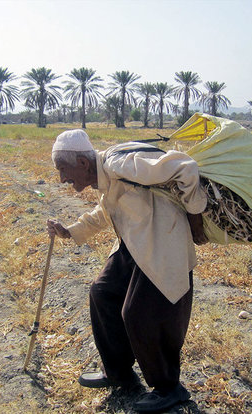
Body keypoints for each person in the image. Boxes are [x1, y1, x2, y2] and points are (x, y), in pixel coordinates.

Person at [46, 129, 208, 412]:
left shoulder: (119, 165)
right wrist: (70, 232)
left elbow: (185, 167)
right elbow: (103, 213)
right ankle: (119, 372)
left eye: (63, 169)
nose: (62, 178)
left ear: (82, 164)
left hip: (161, 242)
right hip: (136, 243)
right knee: (102, 292)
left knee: (138, 313)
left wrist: (196, 220)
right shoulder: (106, 178)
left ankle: (169, 387)